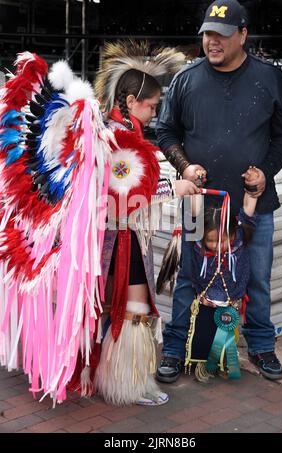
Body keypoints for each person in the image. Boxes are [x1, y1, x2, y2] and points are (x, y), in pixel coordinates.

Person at [155, 0, 282, 383]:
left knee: (257, 278)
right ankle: (174, 348)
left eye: (222, 35)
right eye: (207, 35)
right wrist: (184, 166)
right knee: (188, 276)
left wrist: (265, 173)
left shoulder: (270, 78)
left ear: (243, 35)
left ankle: (262, 346)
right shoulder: (187, 79)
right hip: (202, 205)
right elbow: (166, 132)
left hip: (254, 202)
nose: (212, 42)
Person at [68, 41, 200, 406]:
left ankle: (119, 378)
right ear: (130, 101)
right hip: (120, 239)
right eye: (152, 106)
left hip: (122, 237)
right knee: (134, 307)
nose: (155, 113)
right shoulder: (117, 137)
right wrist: (176, 185)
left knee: (124, 307)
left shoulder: (120, 133)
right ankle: (130, 384)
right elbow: (127, 193)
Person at [185, 167, 258, 382]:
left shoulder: (240, 242)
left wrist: (252, 188)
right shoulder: (198, 245)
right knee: (202, 335)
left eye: (223, 241)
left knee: (226, 337)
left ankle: (224, 365)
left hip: (230, 302)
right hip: (206, 302)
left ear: (234, 234)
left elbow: (248, 212)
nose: (217, 246)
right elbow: (194, 215)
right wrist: (197, 187)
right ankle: (202, 368)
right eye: (212, 241)